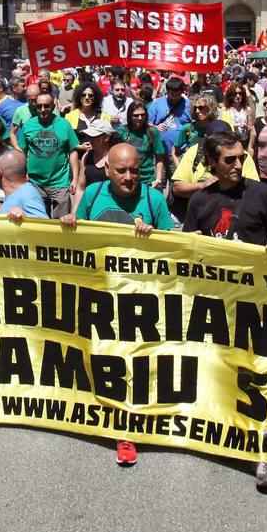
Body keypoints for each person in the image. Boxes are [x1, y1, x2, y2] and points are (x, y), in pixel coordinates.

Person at [61, 141, 174, 468]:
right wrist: (69, 225)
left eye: (135, 170)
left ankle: (128, 429)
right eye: (121, 170)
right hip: (99, 296)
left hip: (141, 301)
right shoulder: (94, 195)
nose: (128, 176)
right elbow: (74, 239)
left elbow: (173, 251)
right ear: (107, 169)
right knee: (100, 360)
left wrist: (154, 237)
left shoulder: (153, 200)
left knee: (136, 366)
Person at [14, 91, 80, 218]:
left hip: (60, 182)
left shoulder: (64, 124)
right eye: (39, 106)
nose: (42, 110)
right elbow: (22, 152)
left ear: (53, 106)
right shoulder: (29, 125)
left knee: (62, 223)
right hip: (35, 182)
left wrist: (75, 178)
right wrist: (23, 174)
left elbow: (73, 151)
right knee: (38, 222)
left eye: (46, 106)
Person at [118, 101, 167, 189]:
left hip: (148, 180)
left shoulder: (152, 132)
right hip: (128, 179)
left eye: (143, 114)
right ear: (129, 116)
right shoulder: (121, 132)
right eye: (136, 115)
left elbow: (159, 157)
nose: (140, 118)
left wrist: (158, 179)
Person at [0, 149, 48, 221]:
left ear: (0, 171)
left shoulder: (28, 194)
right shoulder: (17, 193)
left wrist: (24, 217)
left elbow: (43, 225)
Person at [148, 76, 191, 155]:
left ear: (182, 92)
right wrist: (155, 127)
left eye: (177, 94)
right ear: (167, 91)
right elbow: (146, 123)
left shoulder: (188, 105)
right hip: (160, 152)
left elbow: (194, 124)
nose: (174, 98)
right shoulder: (157, 103)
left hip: (181, 152)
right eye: (171, 94)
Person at [75, 119, 115, 193]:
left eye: (94, 136)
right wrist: (77, 205)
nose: (90, 140)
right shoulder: (86, 157)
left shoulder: (115, 158)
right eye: (89, 136)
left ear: (106, 137)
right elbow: (80, 188)